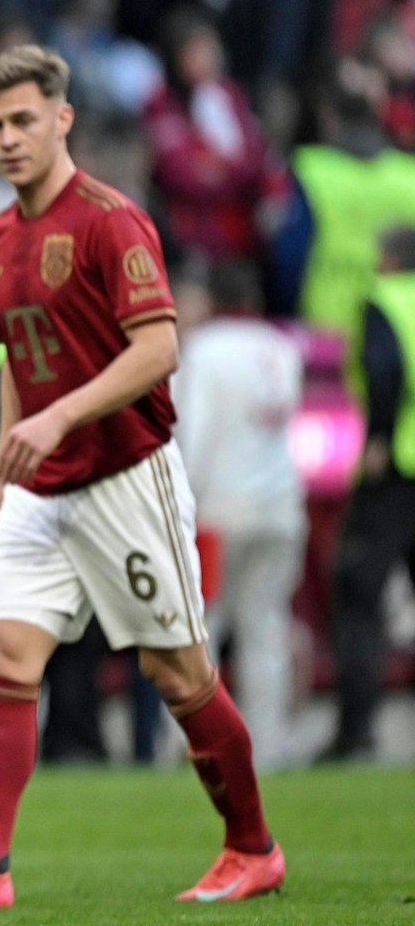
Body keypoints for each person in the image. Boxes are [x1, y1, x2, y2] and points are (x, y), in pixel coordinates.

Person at [0, 45, 283, 910]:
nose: (9, 140)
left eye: (23, 121)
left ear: (63, 119)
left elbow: (159, 347)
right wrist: (13, 461)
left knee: (177, 673)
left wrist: (61, 416)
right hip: (40, 486)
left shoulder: (111, 220)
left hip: (126, 474)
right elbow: (19, 357)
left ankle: (252, 845)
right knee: (7, 655)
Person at [175, 259, 307, 765]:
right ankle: (267, 746)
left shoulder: (205, 352)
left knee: (202, 632)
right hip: (280, 508)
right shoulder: (281, 347)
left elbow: (195, 436)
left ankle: (197, 745)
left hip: (220, 513)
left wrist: (182, 505)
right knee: (266, 630)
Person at [324, 226, 415, 759]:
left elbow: (384, 371)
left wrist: (378, 437)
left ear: (389, 259)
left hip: (395, 470)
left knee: (358, 593)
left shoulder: (385, 300)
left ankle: (354, 732)